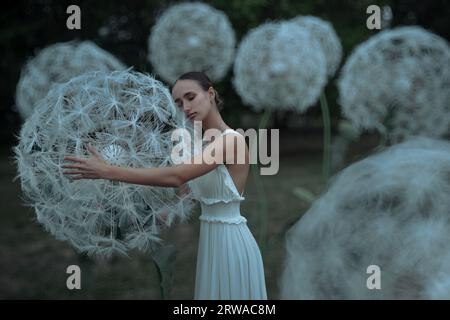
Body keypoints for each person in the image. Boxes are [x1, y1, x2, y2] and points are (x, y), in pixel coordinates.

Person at [62, 71, 267, 300]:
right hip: (212, 241)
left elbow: (177, 176)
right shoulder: (198, 142)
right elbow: (188, 185)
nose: (185, 107)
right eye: (179, 103)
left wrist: (108, 172)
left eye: (191, 97)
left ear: (210, 94)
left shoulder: (231, 140)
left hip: (231, 243)